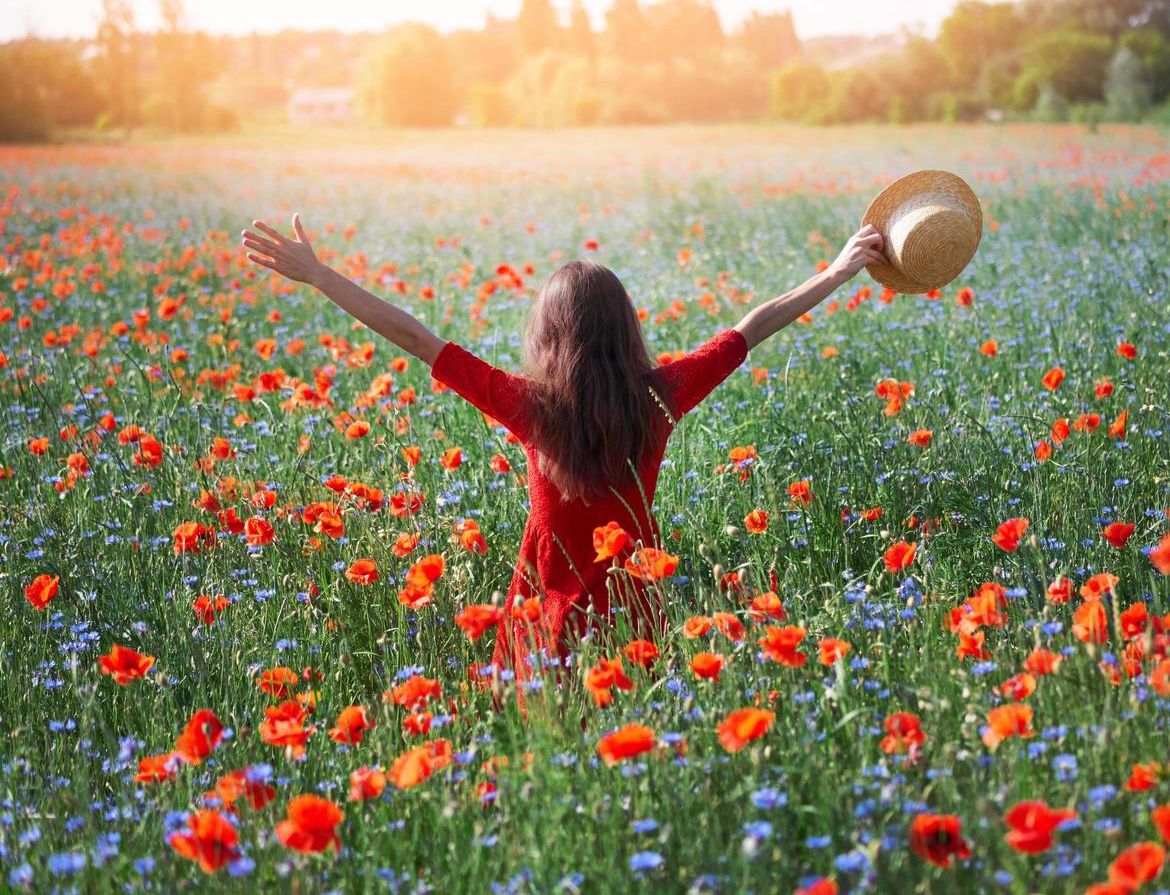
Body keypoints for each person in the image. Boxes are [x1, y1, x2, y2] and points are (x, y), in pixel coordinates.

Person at [241, 214, 887, 692]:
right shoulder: (659, 398)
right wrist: (835, 271)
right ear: (625, 328)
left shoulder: (530, 407)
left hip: (541, 611)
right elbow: (751, 327)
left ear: (549, 336)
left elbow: (415, 336)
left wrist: (322, 276)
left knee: (542, 735)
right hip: (632, 603)